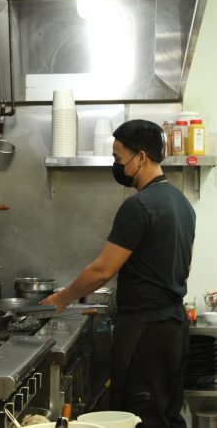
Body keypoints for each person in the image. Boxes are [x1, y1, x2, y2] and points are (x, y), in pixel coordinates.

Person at [42, 119, 196, 428]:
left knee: (141, 418)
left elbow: (102, 270)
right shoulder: (182, 203)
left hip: (146, 331)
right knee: (167, 415)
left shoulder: (139, 206)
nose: (116, 165)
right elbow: (185, 267)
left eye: (118, 159)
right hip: (175, 328)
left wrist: (60, 299)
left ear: (141, 157)